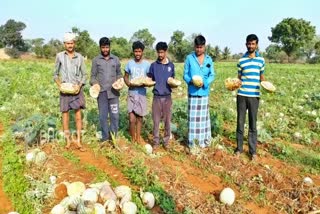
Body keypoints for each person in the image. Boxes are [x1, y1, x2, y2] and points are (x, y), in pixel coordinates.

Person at [234, 34, 265, 161]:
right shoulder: (241, 61)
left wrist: (267, 86)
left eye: (253, 44)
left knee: (253, 124)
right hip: (242, 95)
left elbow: (262, 78)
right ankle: (239, 149)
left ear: (256, 45)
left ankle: (252, 152)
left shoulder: (261, 61)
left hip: (254, 96)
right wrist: (233, 84)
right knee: (240, 123)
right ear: (246, 44)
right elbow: (239, 78)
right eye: (249, 43)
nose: (251, 46)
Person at [53, 32, 86, 151]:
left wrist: (79, 85)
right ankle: (67, 141)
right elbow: (55, 74)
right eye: (68, 43)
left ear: (74, 44)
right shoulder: (60, 56)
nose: (70, 45)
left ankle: (78, 141)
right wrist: (60, 85)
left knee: (78, 115)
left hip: (76, 89)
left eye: (71, 43)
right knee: (65, 115)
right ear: (64, 44)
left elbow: (84, 75)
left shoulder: (80, 57)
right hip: (65, 90)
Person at [183, 35, 215, 149]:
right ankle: (192, 143)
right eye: (197, 47)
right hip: (193, 91)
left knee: (203, 119)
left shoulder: (209, 59)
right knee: (193, 119)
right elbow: (185, 74)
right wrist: (190, 81)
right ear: (194, 46)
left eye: (201, 47)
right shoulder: (189, 58)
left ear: (204, 47)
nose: (199, 50)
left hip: (204, 92)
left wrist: (205, 82)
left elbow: (212, 75)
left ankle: (203, 142)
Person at [90, 37, 122, 142]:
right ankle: (104, 138)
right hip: (102, 93)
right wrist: (95, 84)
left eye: (107, 47)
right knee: (103, 117)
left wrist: (119, 82)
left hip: (114, 93)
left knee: (115, 116)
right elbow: (93, 77)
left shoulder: (116, 59)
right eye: (103, 47)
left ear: (109, 47)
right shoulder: (96, 60)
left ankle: (113, 137)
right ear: (100, 47)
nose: (105, 50)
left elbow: (119, 74)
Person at [148, 42, 175, 150]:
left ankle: (166, 141)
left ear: (166, 51)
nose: (160, 55)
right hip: (157, 97)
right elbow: (149, 79)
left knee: (167, 121)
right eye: (158, 52)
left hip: (167, 97)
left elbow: (172, 80)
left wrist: (174, 83)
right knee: (156, 121)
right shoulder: (153, 66)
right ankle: (155, 142)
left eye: (162, 52)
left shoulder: (171, 66)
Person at [123, 41, 150, 144]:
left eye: (139, 51)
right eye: (135, 51)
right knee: (131, 119)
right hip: (132, 93)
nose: (137, 54)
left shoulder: (147, 65)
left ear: (142, 52)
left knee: (139, 118)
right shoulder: (130, 63)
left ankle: (138, 138)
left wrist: (146, 83)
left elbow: (149, 78)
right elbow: (125, 76)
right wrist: (128, 83)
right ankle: (133, 138)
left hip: (142, 93)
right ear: (133, 52)